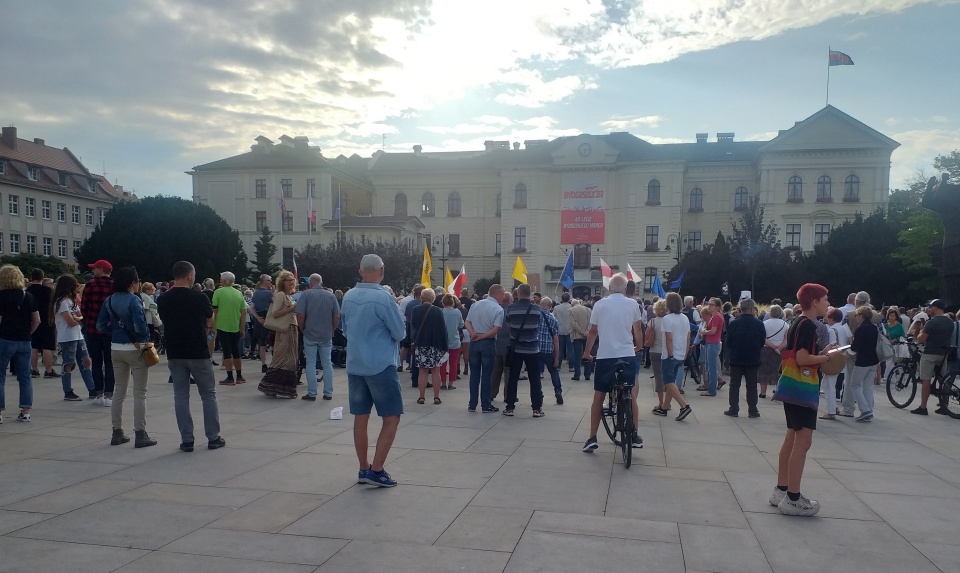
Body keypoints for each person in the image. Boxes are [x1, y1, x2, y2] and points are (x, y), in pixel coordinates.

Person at [341, 254, 406, 487]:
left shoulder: (348, 296)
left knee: (361, 416)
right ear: (382, 271)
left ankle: (363, 467)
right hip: (380, 364)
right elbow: (400, 333)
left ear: (361, 272)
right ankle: (377, 470)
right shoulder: (384, 298)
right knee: (391, 417)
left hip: (355, 363)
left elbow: (345, 329)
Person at [771, 283, 834, 516]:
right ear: (815, 302)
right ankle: (793, 498)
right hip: (802, 388)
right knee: (803, 441)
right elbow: (802, 358)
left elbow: (797, 353)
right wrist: (825, 357)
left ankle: (782, 488)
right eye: (825, 299)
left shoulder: (797, 321)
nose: (828, 303)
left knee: (791, 437)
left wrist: (823, 352)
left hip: (791, 386)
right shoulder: (809, 325)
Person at [157, 261, 225, 452]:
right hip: (197, 351)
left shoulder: (163, 299)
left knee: (180, 395)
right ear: (189, 275)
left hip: (175, 351)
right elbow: (209, 317)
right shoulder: (199, 297)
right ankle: (213, 437)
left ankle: (187, 440)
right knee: (208, 395)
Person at [581, 273, 644, 452]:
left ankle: (592, 437)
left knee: (598, 397)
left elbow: (593, 332)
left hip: (605, 355)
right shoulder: (633, 304)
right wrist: (638, 347)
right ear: (625, 289)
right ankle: (635, 435)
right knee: (631, 394)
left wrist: (587, 353)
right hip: (626, 354)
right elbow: (637, 330)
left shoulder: (600, 304)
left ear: (609, 288)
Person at [97, 266, 156, 448]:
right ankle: (140, 433)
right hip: (135, 349)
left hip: (116, 348)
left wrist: (115, 332)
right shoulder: (134, 300)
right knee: (140, 393)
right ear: (133, 283)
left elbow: (100, 325)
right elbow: (140, 327)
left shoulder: (109, 300)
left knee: (119, 392)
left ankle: (117, 432)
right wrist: (145, 340)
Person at [0, 265, 40, 423]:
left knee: (0, 377)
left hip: (4, 339)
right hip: (24, 340)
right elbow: (37, 320)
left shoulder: (1, 296)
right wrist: (28, 333)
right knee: (25, 377)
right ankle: (25, 411)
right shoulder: (28, 296)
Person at [50, 275, 95, 402]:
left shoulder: (72, 301)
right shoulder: (62, 302)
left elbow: (80, 316)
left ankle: (92, 388)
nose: (77, 287)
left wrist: (77, 318)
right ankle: (68, 390)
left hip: (78, 335)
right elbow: (70, 321)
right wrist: (77, 319)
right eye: (75, 285)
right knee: (68, 363)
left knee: (86, 361)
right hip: (67, 337)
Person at [296, 273, 340, 401]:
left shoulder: (306, 295)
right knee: (327, 363)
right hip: (326, 334)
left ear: (310, 283)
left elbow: (300, 315)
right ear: (321, 282)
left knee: (310, 363)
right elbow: (337, 316)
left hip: (310, 333)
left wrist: (302, 328)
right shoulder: (331, 296)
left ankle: (312, 393)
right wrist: (332, 329)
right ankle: (328, 393)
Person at [503, 283, 544, 417]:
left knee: (513, 378)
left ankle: (510, 407)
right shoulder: (537, 309)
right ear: (530, 294)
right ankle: (536, 409)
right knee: (535, 379)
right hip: (532, 348)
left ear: (518, 294)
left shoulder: (511, 308)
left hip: (516, 348)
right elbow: (538, 325)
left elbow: (508, 324)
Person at [257, 270, 299, 399]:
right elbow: (275, 313)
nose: (291, 282)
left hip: (291, 328)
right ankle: (272, 386)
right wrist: (292, 308)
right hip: (284, 330)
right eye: (288, 280)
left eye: (292, 279)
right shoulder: (280, 295)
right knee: (283, 359)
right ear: (283, 282)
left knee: (290, 360)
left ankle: (279, 387)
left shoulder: (289, 295)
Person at [652, 292, 693, 421]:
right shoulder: (685, 318)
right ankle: (664, 407)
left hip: (670, 354)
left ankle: (684, 405)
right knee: (672, 381)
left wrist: (669, 354)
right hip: (681, 353)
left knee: (668, 381)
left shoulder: (667, 319)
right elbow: (688, 337)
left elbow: (669, 338)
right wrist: (685, 352)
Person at [464, 284, 504, 413]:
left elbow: (467, 321)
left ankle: (472, 404)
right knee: (487, 375)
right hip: (487, 342)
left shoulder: (476, 305)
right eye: (503, 294)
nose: (503, 297)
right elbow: (496, 329)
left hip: (474, 342)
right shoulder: (498, 309)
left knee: (474, 374)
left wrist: (472, 333)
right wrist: (483, 336)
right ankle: (486, 404)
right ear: (497, 294)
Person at [911, 299, 955, 415]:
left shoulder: (932, 322)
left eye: (930, 307)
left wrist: (920, 330)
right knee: (943, 379)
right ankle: (944, 405)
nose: (929, 310)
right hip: (943, 354)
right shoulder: (950, 322)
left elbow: (921, 339)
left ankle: (923, 407)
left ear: (935, 308)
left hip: (930, 353)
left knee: (925, 380)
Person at [724, 298, 766, 418]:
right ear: (752, 309)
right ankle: (753, 410)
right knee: (752, 385)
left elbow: (729, 342)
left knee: (734, 384)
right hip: (753, 358)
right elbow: (762, 341)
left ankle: (733, 408)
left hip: (736, 357)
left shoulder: (734, 323)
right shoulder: (759, 324)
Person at [80, 259, 115, 406]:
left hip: (93, 329)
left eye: (95, 268)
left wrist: (87, 321)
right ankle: (109, 395)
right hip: (110, 330)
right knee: (110, 362)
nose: (93, 271)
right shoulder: (114, 286)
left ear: (101, 270)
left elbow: (84, 307)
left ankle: (98, 393)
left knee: (96, 362)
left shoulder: (90, 285)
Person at [410, 288, 448, 405]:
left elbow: (413, 326)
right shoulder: (437, 311)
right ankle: (436, 397)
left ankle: (421, 397)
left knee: (422, 371)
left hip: (421, 343)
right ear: (433, 298)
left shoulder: (415, 310)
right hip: (435, 344)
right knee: (436, 371)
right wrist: (445, 346)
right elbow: (443, 329)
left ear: (421, 297)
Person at [212, 271, 248, 386]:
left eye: (221, 279)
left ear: (225, 281)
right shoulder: (239, 293)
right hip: (235, 325)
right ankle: (239, 375)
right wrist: (242, 328)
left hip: (222, 325)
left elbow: (214, 310)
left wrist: (212, 326)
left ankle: (229, 377)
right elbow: (243, 312)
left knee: (227, 351)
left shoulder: (218, 292)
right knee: (236, 350)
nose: (220, 280)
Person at [26, 269, 58, 379]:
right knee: (47, 346)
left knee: (34, 346)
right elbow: (53, 306)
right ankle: (48, 370)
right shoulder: (48, 291)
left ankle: (34, 370)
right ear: (42, 277)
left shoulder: (27, 291)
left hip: (31, 320)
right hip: (47, 320)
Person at [820, 308, 849, 420]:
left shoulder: (831, 330)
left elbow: (832, 345)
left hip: (833, 359)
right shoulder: (843, 328)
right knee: (831, 384)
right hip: (841, 359)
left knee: (829, 386)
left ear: (832, 318)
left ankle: (831, 411)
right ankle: (834, 407)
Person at [537, 296, 563, 405]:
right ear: (551, 307)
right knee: (553, 371)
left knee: (535, 373)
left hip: (536, 348)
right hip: (548, 349)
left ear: (541, 304)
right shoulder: (553, 319)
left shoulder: (535, 316)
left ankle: (538, 394)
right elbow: (556, 340)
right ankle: (558, 391)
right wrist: (557, 357)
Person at [759, 305, 788, 399]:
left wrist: (772, 346)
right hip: (780, 351)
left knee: (764, 371)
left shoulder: (764, 323)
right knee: (778, 371)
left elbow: (763, 338)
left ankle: (763, 392)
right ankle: (777, 391)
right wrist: (778, 348)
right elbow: (786, 339)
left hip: (766, 349)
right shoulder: (785, 325)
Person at [490, 291, 513, 400]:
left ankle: (492, 393)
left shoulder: (495, 310)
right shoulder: (511, 312)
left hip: (496, 344)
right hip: (508, 345)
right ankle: (508, 395)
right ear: (509, 300)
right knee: (508, 372)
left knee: (496, 371)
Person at [700, 297, 725, 396]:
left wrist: (705, 332)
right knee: (709, 367)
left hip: (713, 343)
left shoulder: (717, 317)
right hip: (711, 343)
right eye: (709, 304)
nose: (709, 306)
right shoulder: (714, 316)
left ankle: (711, 390)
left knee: (712, 368)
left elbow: (713, 331)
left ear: (717, 307)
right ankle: (711, 388)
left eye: (711, 305)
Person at [250, 274, 274, 373]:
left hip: (259, 321)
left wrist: (258, 318)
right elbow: (275, 306)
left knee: (262, 343)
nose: (271, 282)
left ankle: (263, 364)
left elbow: (251, 308)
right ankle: (274, 364)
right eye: (270, 280)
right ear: (265, 281)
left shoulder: (256, 293)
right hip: (270, 321)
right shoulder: (269, 294)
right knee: (273, 343)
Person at [440, 294, 464, 390]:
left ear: (443, 302)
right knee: (453, 363)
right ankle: (451, 383)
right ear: (453, 302)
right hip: (455, 340)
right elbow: (462, 325)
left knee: (442, 363)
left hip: (443, 341)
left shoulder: (441, 312)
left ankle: (443, 383)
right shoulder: (457, 312)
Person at [648, 299, 667, 413]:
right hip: (667, 351)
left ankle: (661, 402)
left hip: (655, 350)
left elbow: (647, 336)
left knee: (658, 377)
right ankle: (668, 402)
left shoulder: (653, 322)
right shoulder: (669, 321)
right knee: (669, 378)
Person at [569, 298, 591, 381]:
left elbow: (573, 323)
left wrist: (581, 331)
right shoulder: (588, 310)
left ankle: (577, 374)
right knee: (587, 354)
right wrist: (586, 332)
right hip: (587, 335)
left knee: (577, 356)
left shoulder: (571, 310)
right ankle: (587, 374)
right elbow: (591, 322)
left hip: (576, 335)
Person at [553, 293, 573, 369]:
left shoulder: (557, 308)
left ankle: (558, 365)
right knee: (570, 349)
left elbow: (553, 317)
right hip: (569, 330)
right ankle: (571, 366)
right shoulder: (571, 307)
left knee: (560, 349)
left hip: (560, 330)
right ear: (569, 299)